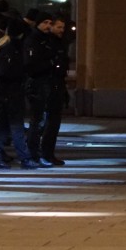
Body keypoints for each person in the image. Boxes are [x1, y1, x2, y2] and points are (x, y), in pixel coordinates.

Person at [0, 18, 38, 169]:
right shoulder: (13, 50)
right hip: (11, 93)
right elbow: (8, 71)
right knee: (16, 127)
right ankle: (24, 157)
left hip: (4, 92)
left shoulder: (3, 46)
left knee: (3, 127)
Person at [24, 11, 55, 167]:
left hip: (43, 82)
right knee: (37, 121)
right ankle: (33, 154)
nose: (48, 26)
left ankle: (35, 153)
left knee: (40, 121)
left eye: (50, 23)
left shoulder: (46, 40)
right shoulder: (34, 40)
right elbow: (31, 64)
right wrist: (49, 65)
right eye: (45, 22)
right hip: (37, 83)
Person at [40, 15, 70, 165]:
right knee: (50, 122)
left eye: (63, 27)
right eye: (59, 27)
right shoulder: (49, 44)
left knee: (53, 122)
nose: (61, 30)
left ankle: (48, 153)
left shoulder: (59, 43)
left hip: (57, 85)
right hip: (50, 86)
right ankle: (45, 153)